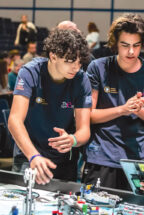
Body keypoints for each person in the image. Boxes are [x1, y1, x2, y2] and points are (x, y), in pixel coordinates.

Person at [82, 13, 144, 189]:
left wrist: (139, 110)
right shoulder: (98, 67)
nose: (131, 51)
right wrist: (123, 109)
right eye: (125, 45)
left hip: (139, 159)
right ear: (115, 44)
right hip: (102, 157)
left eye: (136, 46)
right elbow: (88, 115)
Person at [8, 28, 92, 184]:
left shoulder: (81, 80)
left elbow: (84, 130)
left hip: (64, 161)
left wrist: (73, 139)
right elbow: (14, 120)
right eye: (70, 61)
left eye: (80, 62)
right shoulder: (30, 72)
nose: (76, 67)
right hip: (29, 155)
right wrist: (33, 156)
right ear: (53, 56)